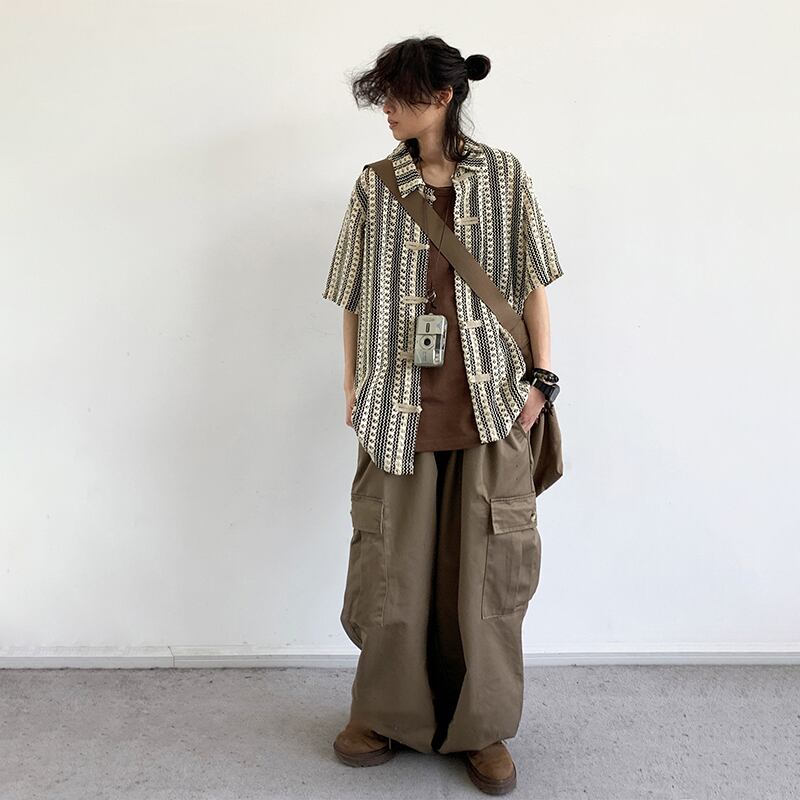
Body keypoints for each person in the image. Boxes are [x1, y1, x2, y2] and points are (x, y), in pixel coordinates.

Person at [321, 35, 564, 795]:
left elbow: (533, 285)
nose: (386, 110)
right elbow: (352, 295)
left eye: (398, 96)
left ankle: (482, 727)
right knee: (392, 567)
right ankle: (384, 713)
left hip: (491, 405)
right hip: (398, 408)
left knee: (485, 573)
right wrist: (352, 385)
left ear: (443, 96)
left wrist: (541, 382)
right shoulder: (374, 186)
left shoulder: (505, 176)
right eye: (382, 97)